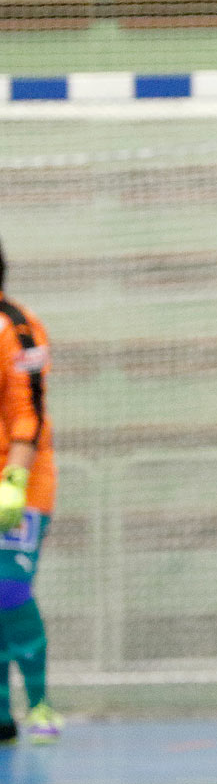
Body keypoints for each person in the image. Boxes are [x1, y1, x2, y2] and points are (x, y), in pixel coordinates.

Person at [0, 238, 63, 746]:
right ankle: (1, 713)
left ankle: (39, 702)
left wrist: (14, 482)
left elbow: (29, 413)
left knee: (9, 589)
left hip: (20, 482)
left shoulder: (17, 326)